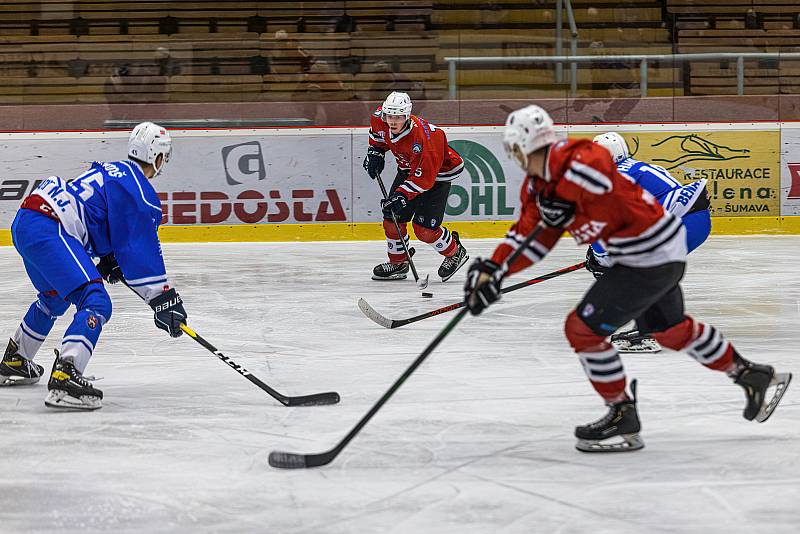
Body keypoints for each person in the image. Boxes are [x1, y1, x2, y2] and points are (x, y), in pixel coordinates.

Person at [463, 105, 791, 452]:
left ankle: (622, 415)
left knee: (582, 330)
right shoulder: (537, 187)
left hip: (647, 254)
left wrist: (574, 203)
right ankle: (750, 374)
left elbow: (599, 176)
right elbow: (531, 236)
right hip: (651, 254)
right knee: (670, 330)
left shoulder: (579, 157)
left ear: (520, 148)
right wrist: (495, 270)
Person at [0, 122, 188, 410]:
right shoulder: (139, 190)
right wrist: (164, 298)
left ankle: (16, 359)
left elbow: (96, 218)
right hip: (52, 227)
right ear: (158, 158)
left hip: (28, 221)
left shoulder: (111, 171)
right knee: (96, 301)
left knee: (54, 297)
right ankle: (66, 374)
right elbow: (140, 249)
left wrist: (109, 257)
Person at [589, 131, 712, 352]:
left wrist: (599, 257)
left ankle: (652, 333)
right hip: (692, 220)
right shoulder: (634, 167)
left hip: (682, 221)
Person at [363, 91, 468, 282]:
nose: (392, 121)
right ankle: (399, 262)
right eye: (389, 116)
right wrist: (375, 152)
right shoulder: (380, 118)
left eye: (398, 117)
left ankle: (455, 252)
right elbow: (378, 137)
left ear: (408, 116)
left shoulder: (424, 139)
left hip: (438, 174)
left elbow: (424, 179)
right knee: (392, 218)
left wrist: (401, 196)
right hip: (409, 168)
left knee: (424, 230)